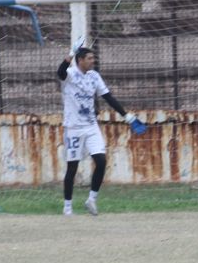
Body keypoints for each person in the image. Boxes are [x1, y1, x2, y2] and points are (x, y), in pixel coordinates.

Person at [57, 45, 141, 216]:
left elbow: (108, 98)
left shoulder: (94, 77)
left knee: (101, 161)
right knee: (72, 167)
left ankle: (92, 199)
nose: (92, 61)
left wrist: (127, 115)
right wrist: (70, 54)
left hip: (90, 126)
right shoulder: (71, 74)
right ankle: (67, 207)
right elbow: (60, 72)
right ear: (80, 60)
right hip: (73, 127)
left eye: (93, 58)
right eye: (89, 58)